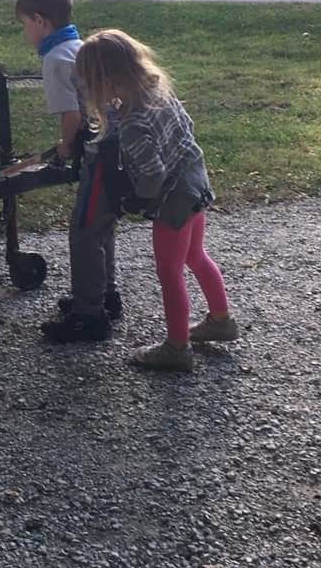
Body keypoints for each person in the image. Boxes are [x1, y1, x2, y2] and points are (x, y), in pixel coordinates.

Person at [48, 28, 238, 368]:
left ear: (105, 82)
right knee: (196, 255)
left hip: (174, 202)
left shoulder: (134, 123)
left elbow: (152, 175)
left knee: (169, 272)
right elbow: (188, 128)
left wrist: (136, 199)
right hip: (197, 182)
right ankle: (221, 320)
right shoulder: (159, 91)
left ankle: (176, 349)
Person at [15, 0, 122, 334]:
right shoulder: (77, 46)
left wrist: (63, 147)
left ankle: (88, 315)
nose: (25, 32)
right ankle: (105, 294)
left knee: (84, 230)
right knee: (101, 225)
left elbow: (72, 116)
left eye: (24, 25)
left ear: (40, 21)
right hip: (115, 145)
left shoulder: (54, 58)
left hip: (102, 151)